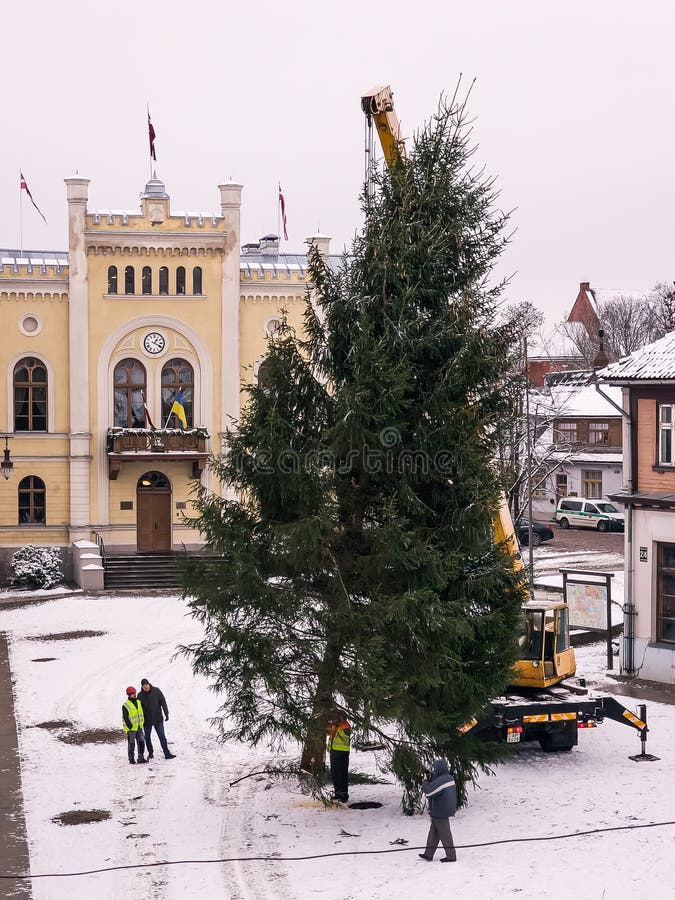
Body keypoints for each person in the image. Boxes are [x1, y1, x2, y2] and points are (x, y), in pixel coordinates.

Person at [419, 758, 457, 862]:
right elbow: (435, 786)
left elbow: (428, 791)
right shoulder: (447, 777)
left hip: (441, 810)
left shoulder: (443, 780)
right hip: (439, 810)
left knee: (445, 833)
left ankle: (451, 856)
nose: (434, 770)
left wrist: (425, 779)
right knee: (434, 833)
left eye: (435, 768)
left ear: (439, 768)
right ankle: (428, 854)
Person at [138, 678, 176, 759]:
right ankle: (150, 753)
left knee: (162, 736)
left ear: (149, 684)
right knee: (147, 738)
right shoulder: (140, 695)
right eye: (144, 685)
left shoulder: (156, 690)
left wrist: (166, 713)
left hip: (157, 718)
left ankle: (167, 753)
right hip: (147, 721)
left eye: (147, 685)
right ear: (142, 686)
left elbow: (163, 701)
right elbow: (138, 708)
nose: (146, 686)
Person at [326, 709, 351, 802]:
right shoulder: (335, 726)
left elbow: (346, 730)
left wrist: (339, 721)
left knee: (342, 774)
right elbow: (328, 731)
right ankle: (338, 793)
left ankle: (343, 795)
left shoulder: (345, 725)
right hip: (333, 751)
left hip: (342, 753)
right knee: (335, 773)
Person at [122, 686, 147, 765]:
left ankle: (141, 758)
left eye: (135, 693)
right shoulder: (125, 705)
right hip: (131, 729)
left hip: (139, 727)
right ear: (129, 695)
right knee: (131, 744)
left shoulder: (139, 702)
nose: (134, 695)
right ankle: (131, 759)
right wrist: (130, 727)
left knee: (142, 743)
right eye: (132, 693)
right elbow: (125, 718)